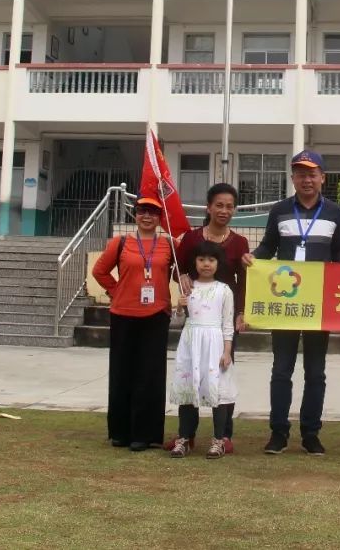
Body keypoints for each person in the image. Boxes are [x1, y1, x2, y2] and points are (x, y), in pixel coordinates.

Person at [254, 150, 340, 456]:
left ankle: (311, 433)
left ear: (323, 177)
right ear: (292, 178)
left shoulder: (334, 212)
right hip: (284, 303)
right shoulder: (280, 210)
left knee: (315, 372)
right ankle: (278, 432)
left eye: (312, 174)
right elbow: (268, 247)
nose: (307, 180)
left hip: (318, 305)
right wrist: (252, 260)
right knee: (281, 370)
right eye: (300, 174)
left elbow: (339, 254)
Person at [91, 196, 179, 451]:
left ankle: (145, 434)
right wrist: (116, 290)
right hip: (123, 314)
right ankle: (119, 432)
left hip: (156, 315)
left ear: (160, 217)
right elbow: (100, 271)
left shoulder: (168, 245)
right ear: (135, 215)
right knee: (122, 373)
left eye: (152, 212)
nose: (147, 216)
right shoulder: (120, 243)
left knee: (149, 375)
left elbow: (179, 270)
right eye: (142, 211)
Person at [172, 183, 253, 455]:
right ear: (208, 207)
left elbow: (243, 282)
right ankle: (187, 434)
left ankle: (223, 436)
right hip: (196, 320)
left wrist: (241, 312)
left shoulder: (240, 242)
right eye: (219, 205)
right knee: (191, 374)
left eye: (230, 206)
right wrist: (180, 277)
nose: (224, 210)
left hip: (224, 321)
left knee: (222, 376)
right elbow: (178, 268)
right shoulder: (192, 239)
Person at [168, 241, 238, 459]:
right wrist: (179, 306)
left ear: (218, 263)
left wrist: (227, 351)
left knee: (217, 392)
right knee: (189, 390)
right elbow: (176, 321)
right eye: (201, 260)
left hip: (215, 344)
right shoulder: (188, 288)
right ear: (194, 262)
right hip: (190, 343)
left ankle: (218, 440)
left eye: (211, 260)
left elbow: (228, 324)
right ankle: (184, 438)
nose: (206, 264)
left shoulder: (224, 290)